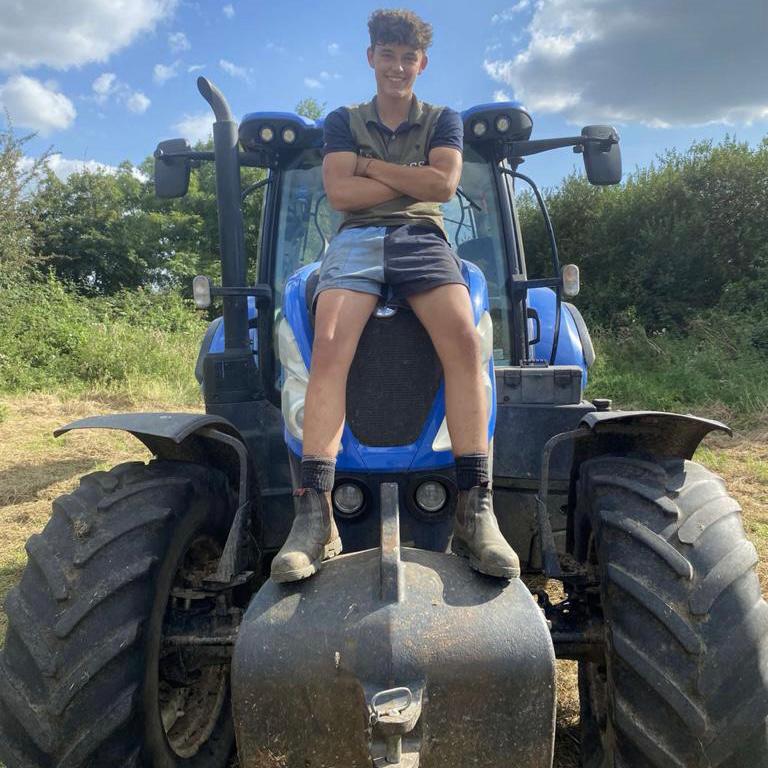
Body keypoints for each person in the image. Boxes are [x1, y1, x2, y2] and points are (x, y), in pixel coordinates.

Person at [270, 8, 519, 583]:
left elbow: (443, 185)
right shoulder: (341, 119)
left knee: (463, 341)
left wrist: (371, 168)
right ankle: (314, 516)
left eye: (408, 57)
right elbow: (339, 193)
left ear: (421, 63)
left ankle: (474, 510)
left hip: (421, 238)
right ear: (372, 58)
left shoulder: (443, 119)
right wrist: (405, 175)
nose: (398, 66)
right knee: (328, 343)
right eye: (388, 54)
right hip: (356, 241)